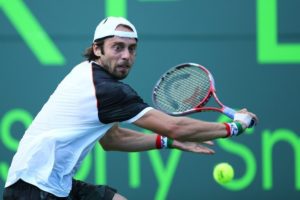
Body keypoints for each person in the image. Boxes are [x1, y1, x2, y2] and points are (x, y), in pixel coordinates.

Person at [3, 16, 258, 200]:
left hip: (50, 184)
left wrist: (168, 142)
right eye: (118, 47)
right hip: (34, 189)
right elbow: (175, 126)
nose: (126, 55)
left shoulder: (85, 74)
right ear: (97, 49)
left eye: (132, 49)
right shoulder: (106, 90)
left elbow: (113, 139)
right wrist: (236, 126)